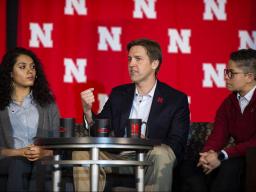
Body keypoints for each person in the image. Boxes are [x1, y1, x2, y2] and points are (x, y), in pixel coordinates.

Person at [73, 38, 190, 191]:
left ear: (154, 63)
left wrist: (147, 143)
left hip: (152, 156)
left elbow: (177, 144)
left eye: (138, 59)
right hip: (120, 156)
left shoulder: (175, 99)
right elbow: (100, 131)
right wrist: (88, 112)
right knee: (82, 153)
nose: (131, 64)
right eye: (129, 59)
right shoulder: (119, 94)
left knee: (161, 153)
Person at [180, 48, 256, 192]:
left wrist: (222, 155)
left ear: (249, 77)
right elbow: (218, 135)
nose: (226, 77)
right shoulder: (229, 103)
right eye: (225, 72)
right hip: (238, 155)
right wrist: (207, 155)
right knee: (190, 167)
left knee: (229, 167)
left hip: (250, 156)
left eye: (231, 73)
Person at [0, 47, 60, 191]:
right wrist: (19, 152)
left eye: (33, 67)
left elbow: (59, 143)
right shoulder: (1, 107)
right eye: (22, 67)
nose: (30, 71)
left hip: (42, 159)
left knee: (41, 164)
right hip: (10, 160)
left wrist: (43, 152)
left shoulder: (48, 104)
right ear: (10, 73)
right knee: (18, 163)